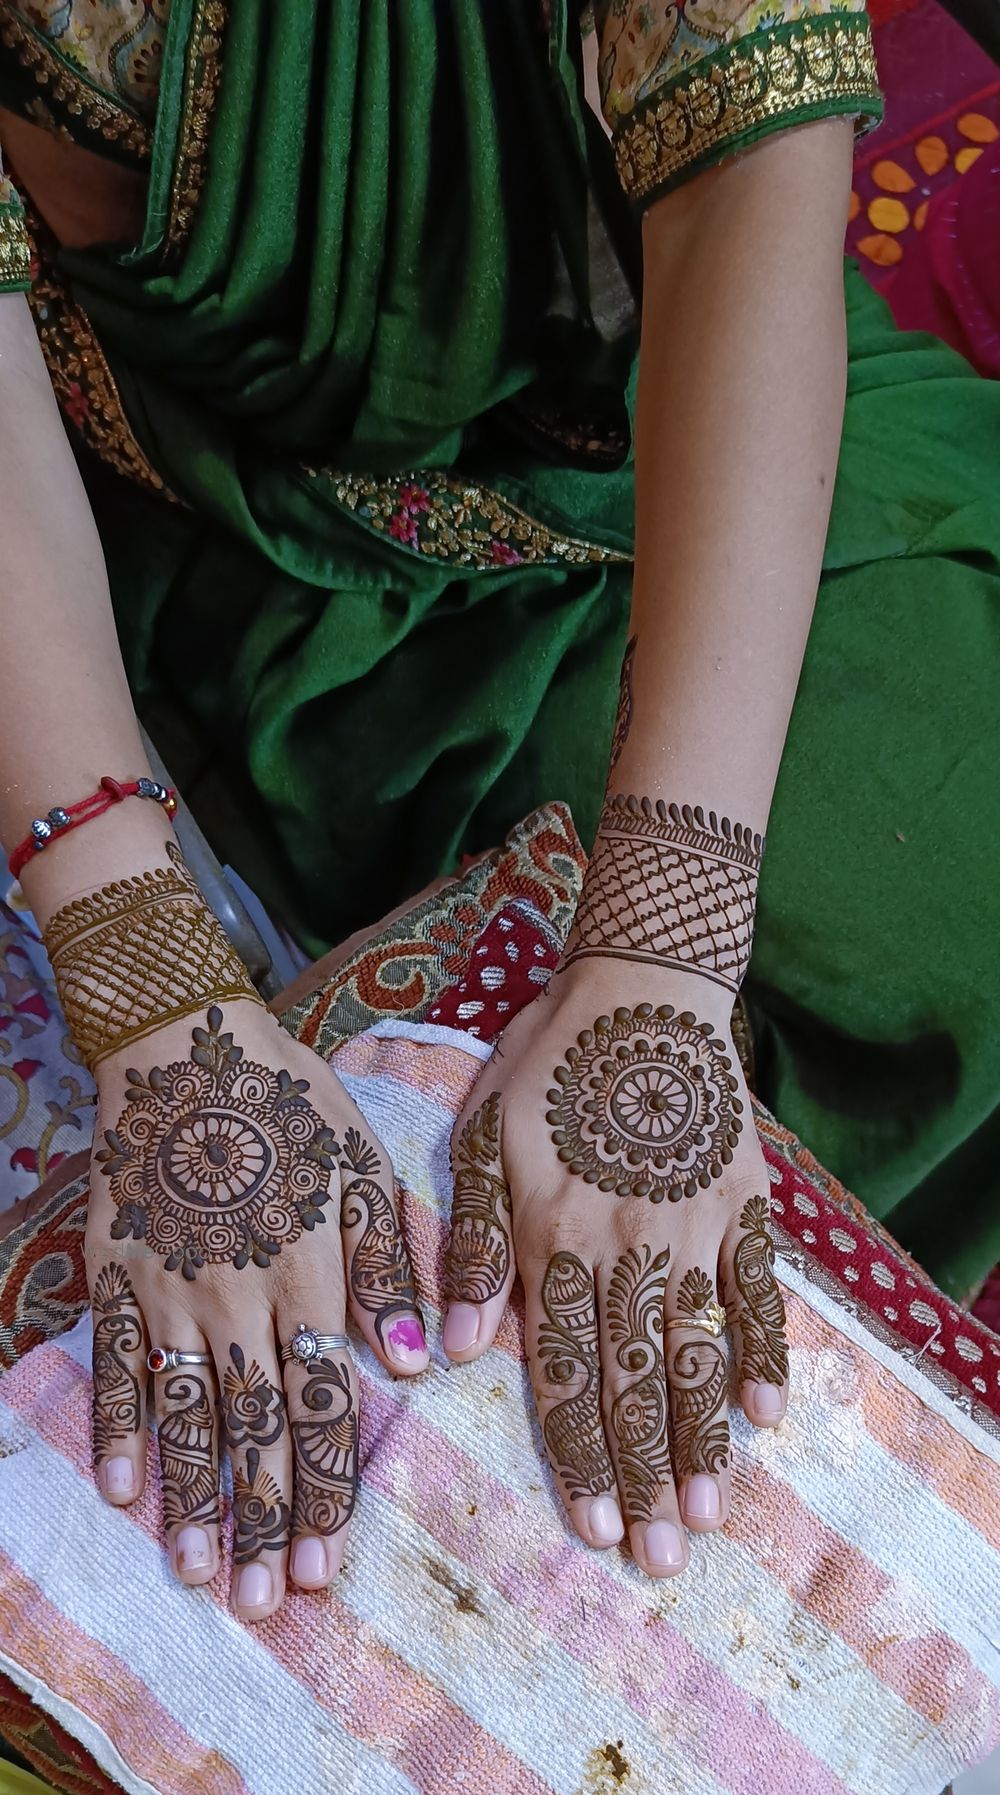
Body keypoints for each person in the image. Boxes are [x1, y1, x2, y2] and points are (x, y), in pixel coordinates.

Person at [1, 0, 998, 1621]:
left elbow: (751, 179)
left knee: (945, 852)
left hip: (653, 404)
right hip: (243, 515)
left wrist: (666, 949)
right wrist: (149, 987)